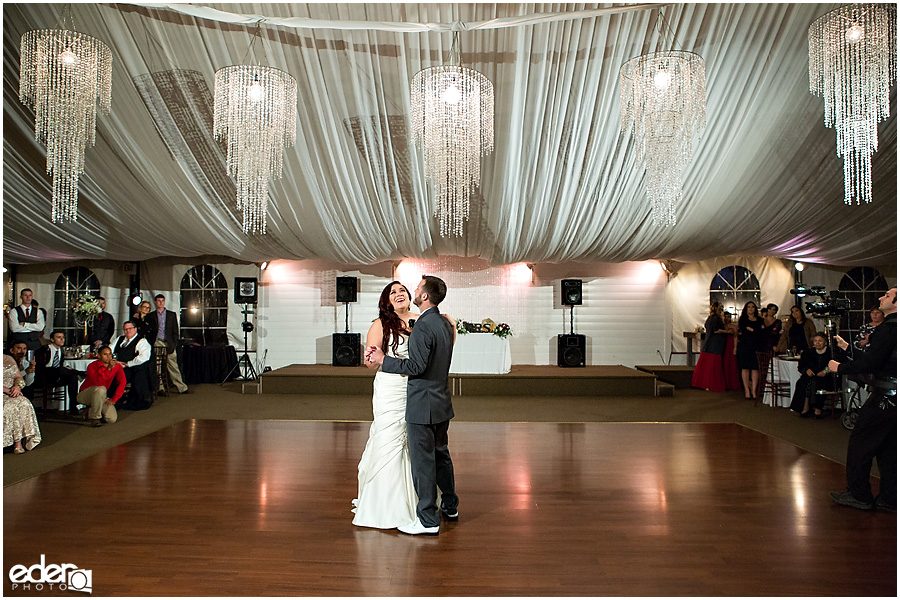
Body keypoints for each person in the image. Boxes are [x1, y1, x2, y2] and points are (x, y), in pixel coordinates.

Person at [365, 276, 459, 536]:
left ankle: (428, 519)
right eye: (394, 291)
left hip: (420, 400)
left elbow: (416, 366)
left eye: (412, 289)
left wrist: (385, 359)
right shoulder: (442, 322)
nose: (408, 292)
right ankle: (450, 505)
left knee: (423, 461)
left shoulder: (422, 324)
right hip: (436, 400)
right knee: (441, 454)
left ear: (424, 296)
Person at [352, 281, 419, 529]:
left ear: (410, 297)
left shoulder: (420, 319)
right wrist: (375, 356)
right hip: (391, 388)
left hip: (415, 386)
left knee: (413, 439)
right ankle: (384, 503)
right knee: (389, 436)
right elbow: (371, 362)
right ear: (387, 301)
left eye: (402, 291)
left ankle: (416, 498)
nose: (399, 295)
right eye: (393, 293)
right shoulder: (380, 324)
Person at [827, 288, 897, 512]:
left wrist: (840, 368)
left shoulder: (887, 329)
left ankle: (859, 495)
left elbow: (871, 364)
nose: (880, 298)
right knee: (889, 449)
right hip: (893, 400)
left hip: (884, 399)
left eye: (886, 296)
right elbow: (882, 359)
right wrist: (849, 349)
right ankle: (890, 497)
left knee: (860, 444)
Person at [144, 294, 189, 394]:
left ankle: (181, 387)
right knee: (157, 366)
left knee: (173, 365)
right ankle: (160, 388)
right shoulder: (151, 316)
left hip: (168, 342)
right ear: (155, 302)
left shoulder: (171, 314)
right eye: (158, 301)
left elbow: (175, 330)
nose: (160, 302)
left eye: (162, 300)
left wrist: (174, 342)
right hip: (157, 341)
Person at [77, 346, 127, 427]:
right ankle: (95, 418)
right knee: (101, 389)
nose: (108, 357)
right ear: (99, 355)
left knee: (111, 419)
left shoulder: (117, 366)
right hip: (86, 393)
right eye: (105, 354)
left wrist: (114, 399)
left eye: (110, 354)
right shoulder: (92, 366)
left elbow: (122, 382)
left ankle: (89, 410)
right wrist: (109, 368)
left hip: (101, 395)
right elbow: (99, 383)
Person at [3, 353, 42, 454]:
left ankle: (19, 442)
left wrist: (17, 386)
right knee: (10, 407)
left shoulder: (9, 359)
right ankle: (16, 441)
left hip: (12, 392)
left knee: (23, 402)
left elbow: (18, 377)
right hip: (4, 392)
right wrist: (7, 390)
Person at [789, 333, 835, 418]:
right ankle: (805, 407)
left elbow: (836, 364)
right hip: (811, 375)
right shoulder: (808, 352)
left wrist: (825, 371)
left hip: (826, 376)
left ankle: (818, 408)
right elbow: (801, 366)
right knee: (802, 383)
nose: (817, 343)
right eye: (815, 341)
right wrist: (806, 370)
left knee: (820, 384)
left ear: (825, 342)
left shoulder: (831, 352)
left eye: (820, 341)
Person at [35, 330, 80, 415]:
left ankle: (73, 406)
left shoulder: (60, 351)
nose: (62, 339)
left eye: (63, 337)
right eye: (59, 337)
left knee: (72, 377)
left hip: (56, 375)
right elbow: (40, 365)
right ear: (52, 339)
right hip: (45, 375)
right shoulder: (45, 349)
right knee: (60, 369)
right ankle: (79, 373)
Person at [112, 321, 154, 410]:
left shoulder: (142, 341)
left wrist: (127, 364)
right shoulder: (119, 339)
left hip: (132, 368)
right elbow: (109, 350)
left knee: (118, 377)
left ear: (135, 329)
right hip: (115, 365)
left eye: (130, 329)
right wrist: (114, 362)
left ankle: (116, 401)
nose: (128, 331)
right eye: (125, 329)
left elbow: (144, 357)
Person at [690, 302, 727, 392]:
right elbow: (716, 331)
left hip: (708, 343)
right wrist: (727, 331)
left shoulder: (709, 318)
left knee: (706, 365)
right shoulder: (717, 319)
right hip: (716, 344)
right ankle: (712, 384)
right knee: (713, 366)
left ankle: (704, 383)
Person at [737, 301, 764, 399]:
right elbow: (744, 329)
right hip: (745, 346)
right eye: (749, 307)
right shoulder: (743, 319)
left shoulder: (760, 320)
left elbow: (761, 332)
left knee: (755, 369)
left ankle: (754, 390)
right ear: (746, 309)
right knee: (745, 368)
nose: (751, 309)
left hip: (756, 346)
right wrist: (752, 330)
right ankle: (747, 390)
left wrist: (752, 330)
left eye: (753, 307)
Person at [722, 311, 741, 391]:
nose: (727, 318)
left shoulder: (733, 326)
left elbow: (736, 337)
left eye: (728, 317)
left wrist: (735, 348)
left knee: (732, 364)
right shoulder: (721, 326)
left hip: (731, 345)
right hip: (723, 345)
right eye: (725, 317)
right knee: (724, 364)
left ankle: (733, 384)